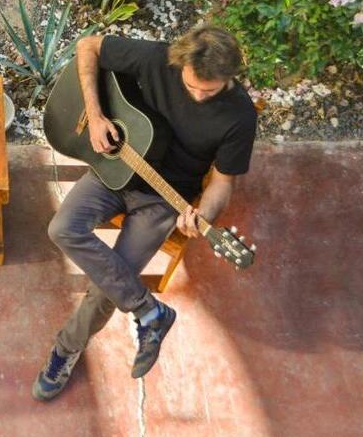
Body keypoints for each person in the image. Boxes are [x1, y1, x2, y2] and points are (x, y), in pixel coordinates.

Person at [32, 25, 258, 401]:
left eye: (210, 91)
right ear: (181, 62)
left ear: (230, 77)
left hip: (164, 200)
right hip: (114, 169)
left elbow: (223, 182)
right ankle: (149, 310)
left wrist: (203, 213)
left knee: (106, 288)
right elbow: (88, 47)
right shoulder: (158, 58)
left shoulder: (240, 116)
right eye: (192, 86)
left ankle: (65, 350)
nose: (198, 96)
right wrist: (96, 116)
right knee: (62, 228)